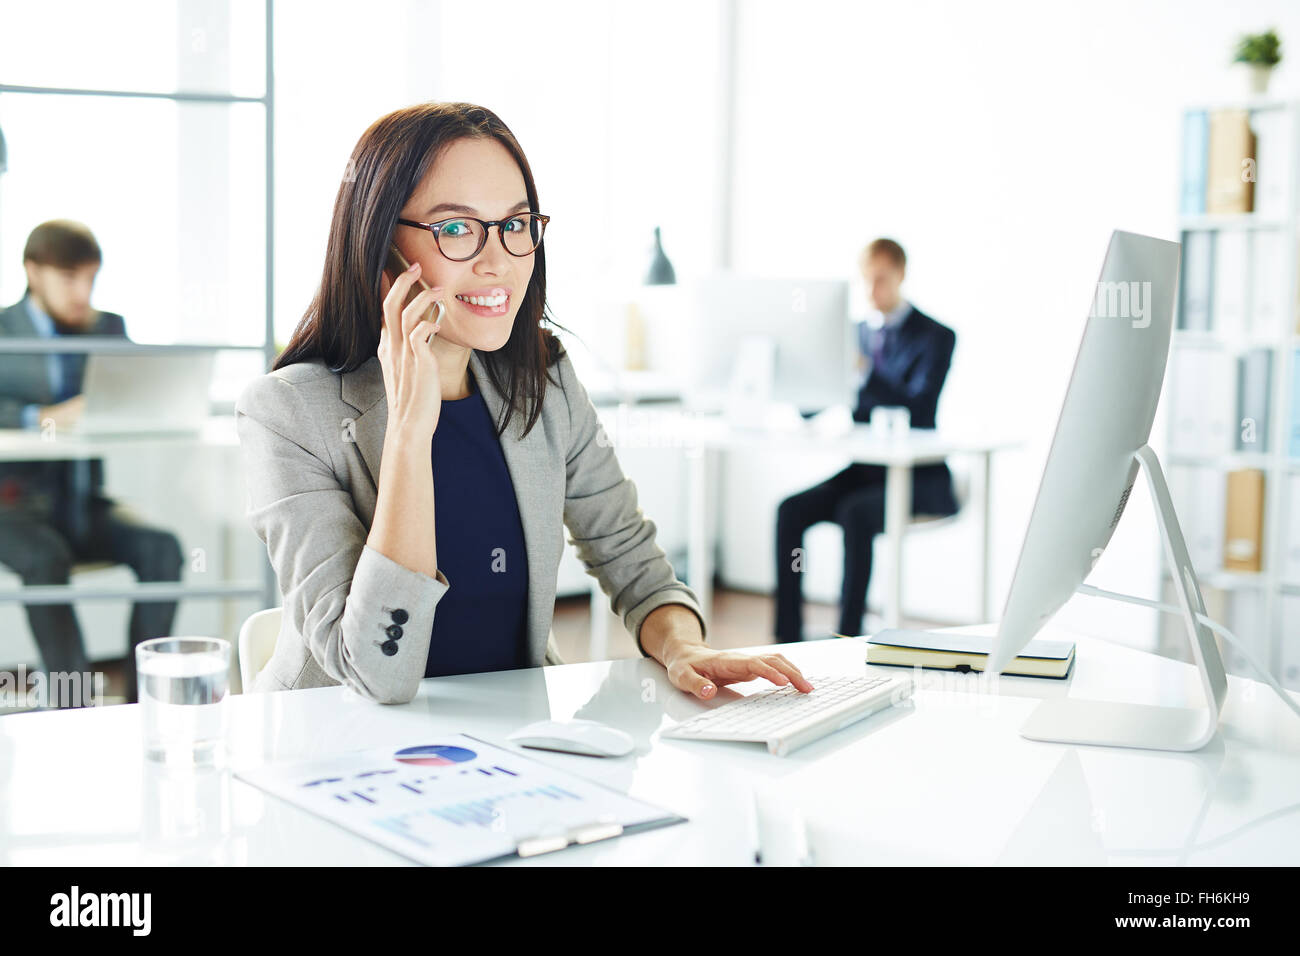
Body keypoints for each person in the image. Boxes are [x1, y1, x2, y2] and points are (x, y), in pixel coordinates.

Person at [236, 102, 812, 704]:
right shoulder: (287, 415)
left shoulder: (543, 379)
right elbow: (378, 675)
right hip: (339, 758)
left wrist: (681, 644)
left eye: (514, 225)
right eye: (456, 229)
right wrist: (411, 429)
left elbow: (631, 558)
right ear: (383, 253)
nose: (500, 261)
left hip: (514, 749)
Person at [0, 220, 184, 705]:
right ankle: (72, 704)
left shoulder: (109, 328)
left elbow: (141, 392)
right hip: (11, 510)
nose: (83, 292)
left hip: (80, 503)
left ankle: (142, 703)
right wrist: (41, 417)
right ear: (32, 271)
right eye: (69, 278)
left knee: (163, 549)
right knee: (46, 558)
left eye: (91, 278)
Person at [774, 238, 957, 641]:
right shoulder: (854, 334)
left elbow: (920, 408)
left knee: (855, 513)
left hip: (921, 477)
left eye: (881, 280)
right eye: (866, 281)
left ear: (901, 275)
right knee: (791, 510)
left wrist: (863, 370)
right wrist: (800, 366)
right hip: (866, 471)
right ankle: (786, 637)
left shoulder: (936, 337)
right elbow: (811, 408)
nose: (872, 291)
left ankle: (847, 636)